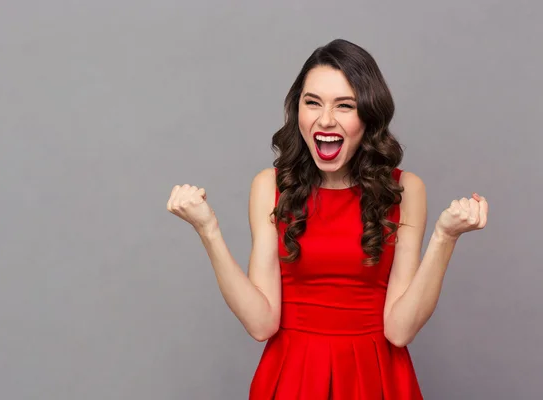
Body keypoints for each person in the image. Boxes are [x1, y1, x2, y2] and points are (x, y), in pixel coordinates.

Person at [166, 39, 489, 399]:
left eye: (345, 106)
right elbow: (261, 323)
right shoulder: (269, 187)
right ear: (297, 109)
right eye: (313, 102)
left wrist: (445, 237)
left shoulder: (406, 190)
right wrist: (207, 230)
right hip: (292, 377)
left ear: (368, 116)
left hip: (376, 379)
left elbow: (400, 331)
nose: (325, 119)